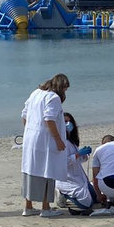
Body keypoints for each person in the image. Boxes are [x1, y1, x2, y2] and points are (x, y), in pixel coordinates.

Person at [21, 73, 70, 217]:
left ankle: (28, 206)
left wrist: (30, 131)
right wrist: (58, 140)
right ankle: (45, 207)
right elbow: (49, 119)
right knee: (47, 171)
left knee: (30, 170)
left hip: (31, 137)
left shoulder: (36, 93)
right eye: (65, 89)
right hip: (46, 140)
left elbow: (24, 115)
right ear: (61, 87)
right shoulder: (53, 98)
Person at [56, 113, 97, 211]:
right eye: (65, 122)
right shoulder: (61, 142)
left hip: (78, 176)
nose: (68, 124)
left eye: (70, 121)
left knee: (94, 198)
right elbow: (62, 163)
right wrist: (78, 154)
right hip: (67, 178)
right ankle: (63, 193)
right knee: (87, 204)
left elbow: (77, 160)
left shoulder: (72, 141)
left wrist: (84, 154)